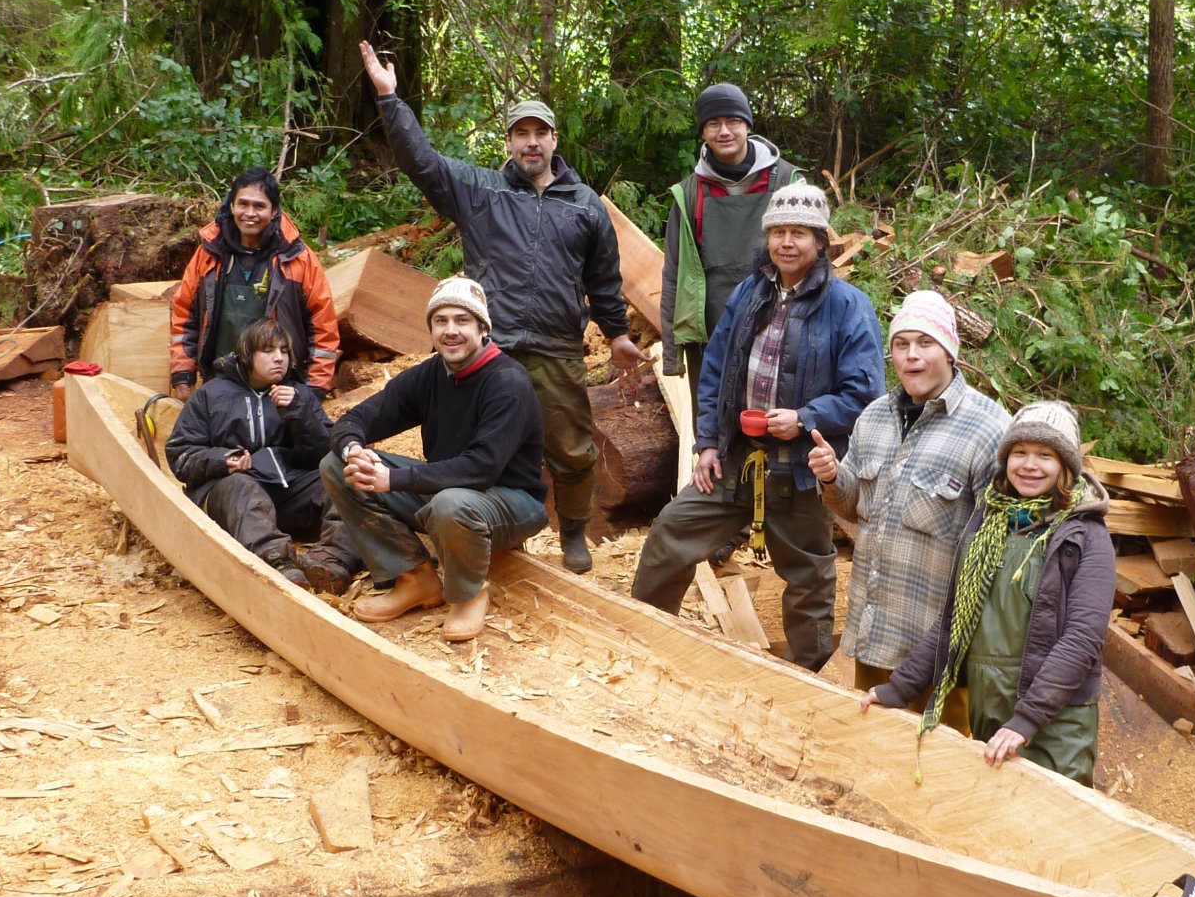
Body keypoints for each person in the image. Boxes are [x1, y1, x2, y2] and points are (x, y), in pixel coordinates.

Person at [357, 42, 640, 575]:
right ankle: (478, 529)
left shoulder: (585, 207)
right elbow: (420, 161)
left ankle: (573, 532)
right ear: (508, 142)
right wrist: (390, 97)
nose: (531, 143)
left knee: (573, 451)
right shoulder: (480, 191)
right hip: (493, 349)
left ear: (555, 139)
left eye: (540, 133)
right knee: (478, 446)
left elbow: (604, 278)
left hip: (557, 348)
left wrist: (618, 332)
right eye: (521, 134)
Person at [630, 182, 883, 670]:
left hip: (800, 469)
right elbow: (718, 370)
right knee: (671, 533)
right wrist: (706, 442)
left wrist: (805, 417)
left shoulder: (848, 305)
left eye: (799, 233)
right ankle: (646, 638)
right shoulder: (751, 291)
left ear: (820, 242)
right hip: (736, 459)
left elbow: (864, 394)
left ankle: (806, 677)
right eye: (779, 231)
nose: (787, 242)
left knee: (808, 575)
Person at [859, 401, 1115, 786]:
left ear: (1065, 465)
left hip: (1056, 720)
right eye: (1020, 453)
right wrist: (901, 687)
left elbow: (1082, 639)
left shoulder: (1085, 536)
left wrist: (1026, 720)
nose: (1030, 465)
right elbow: (953, 621)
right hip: (989, 705)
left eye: (1045, 455)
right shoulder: (988, 524)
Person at [321, 277, 548, 642]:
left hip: (511, 502)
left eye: (462, 321)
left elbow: (480, 468)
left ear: (482, 328)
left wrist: (393, 480)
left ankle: (469, 593)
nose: (451, 331)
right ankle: (415, 577)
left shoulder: (508, 382)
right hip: (449, 493)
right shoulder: (431, 373)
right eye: (441, 321)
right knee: (335, 466)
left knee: (451, 504)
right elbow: (356, 419)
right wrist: (353, 449)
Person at [808, 291, 1008, 689]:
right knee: (874, 745)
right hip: (875, 635)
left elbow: (1000, 551)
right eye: (901, 344)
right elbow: (853, 509)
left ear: (950, 352)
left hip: (942, 654)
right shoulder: (874, 417)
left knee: (942, 748)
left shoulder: (991, 428)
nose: (911, 355)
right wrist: (832, 477)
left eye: (925, 343)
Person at [164, 319, 360, 591]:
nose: (279, 358)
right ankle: (278, 564)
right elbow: (180, 453)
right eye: (268, 351)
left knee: (341, 476)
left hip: (286, 493)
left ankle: (332, 559)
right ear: (247, 355)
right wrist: (222, 460)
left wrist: (299, 414)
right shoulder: (211, 395)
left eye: (283, 350)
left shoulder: (299, 394)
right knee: (242, 487)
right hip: (230, 497)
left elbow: (324, 453)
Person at [659, 83, 803, 397]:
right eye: (713, 123)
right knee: (712, 435)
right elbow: (673, 274)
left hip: (781, 334)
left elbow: (816, 265)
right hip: (710, 341)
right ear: (703, 133)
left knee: (776, 431)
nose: (724, 131)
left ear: (748, 125)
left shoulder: (787, 183)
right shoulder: (688, 194)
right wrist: (672, 355)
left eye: (733, 121)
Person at [170, 167, 342, 397]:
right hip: (218, 383)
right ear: (231, 206)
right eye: (243, 204)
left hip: (280, 389)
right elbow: (184, 315)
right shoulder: (209, 254)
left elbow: (323, 325)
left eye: (259, 206)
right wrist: (183, 374)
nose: (250, 213)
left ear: (274, 211)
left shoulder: (298, 258)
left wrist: (314, 388)